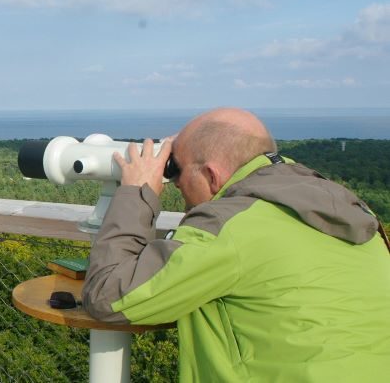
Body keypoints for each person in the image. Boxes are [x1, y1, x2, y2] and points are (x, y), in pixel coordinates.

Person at [81, 107, 390, 382]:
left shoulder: (230, 226)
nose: (176, 185)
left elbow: (108, 296)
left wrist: (136, 191)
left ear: (212, 176)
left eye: (178, 171)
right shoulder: (351, 211)